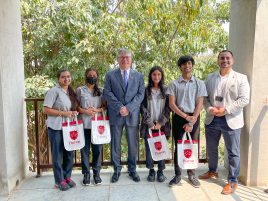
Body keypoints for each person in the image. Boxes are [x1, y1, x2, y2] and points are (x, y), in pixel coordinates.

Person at [198, 50, 250, 195]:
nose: (224, 60)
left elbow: (244, 99)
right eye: (222, 58)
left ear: (232, 60)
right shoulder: (210, 77)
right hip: (213, 119)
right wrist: (209, 109)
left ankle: (232, 181)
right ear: (218, 60)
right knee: (211, 148)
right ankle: (212, 171)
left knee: (233, 152)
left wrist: (226, 110)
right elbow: (205, 97)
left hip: (231, 119)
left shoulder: (241, 78)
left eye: (227, 58)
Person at [103, 48, 145, 183]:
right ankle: (116, 169)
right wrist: (120, 107)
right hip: (116, 114)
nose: (124, 59)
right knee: (115, 143)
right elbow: (107, 93)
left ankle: (132, 169)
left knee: (132, 144)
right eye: (122, 57)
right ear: (118, 60)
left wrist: (129, 108)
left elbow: (140, 94)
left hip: (132, 114)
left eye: (127, 57)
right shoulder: (110, 75)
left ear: (131, 59)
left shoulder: (138, 76)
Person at [166, 55, 207, 188]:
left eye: (189, 63)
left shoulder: (199, 83)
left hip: (194, 117)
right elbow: (172, 104)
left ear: (192, 65)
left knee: (192, 145)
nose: (187, 66)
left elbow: (200, 103)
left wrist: (192, 120)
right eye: (184, 64)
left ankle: (192, 174)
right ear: (180, 67)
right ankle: (177, 175)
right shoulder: (174, 84)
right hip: (179, 117)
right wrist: (185, 117)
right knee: (179, 146)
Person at [43, 69, 78, 191]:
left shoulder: (70, 92)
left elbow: (68, 109)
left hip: (68, 127)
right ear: (58, 78)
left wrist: (72, 112)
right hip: (56, 127)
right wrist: (64, 113)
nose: (66, 79)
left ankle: (67, 177)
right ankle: (59, 181)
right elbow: (46, 110)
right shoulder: (53, 91)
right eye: (63, 77)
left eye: (68, 76)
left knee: (69, 153)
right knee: (58, 155)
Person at [140, 66, 171, 183]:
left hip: (162, 125)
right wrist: (150, 123)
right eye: (154, 74)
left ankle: (160, 171)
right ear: (150, 76)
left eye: (159, 74)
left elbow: (169, 108)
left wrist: (160, 123)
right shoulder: (145, 90)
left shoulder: (166, 90)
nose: (156, 77)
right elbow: (142, 107)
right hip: (149, 125)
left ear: (161, 76)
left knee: (161, 148)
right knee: (149, 149)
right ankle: (151, 170)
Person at [76, 68, 106, 186]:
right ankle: (86, 174)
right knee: (84, 151)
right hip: (84, 125)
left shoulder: (101, 90)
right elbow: (76, 106)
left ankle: (96, 174)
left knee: (97, 150)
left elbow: (105, 106)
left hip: (98, 126)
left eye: (94, 75)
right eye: (90, 75)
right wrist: (85, 111)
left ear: (97, 77)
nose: (92, 77)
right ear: (86, 76)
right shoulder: (80, 90)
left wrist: (97, 110)